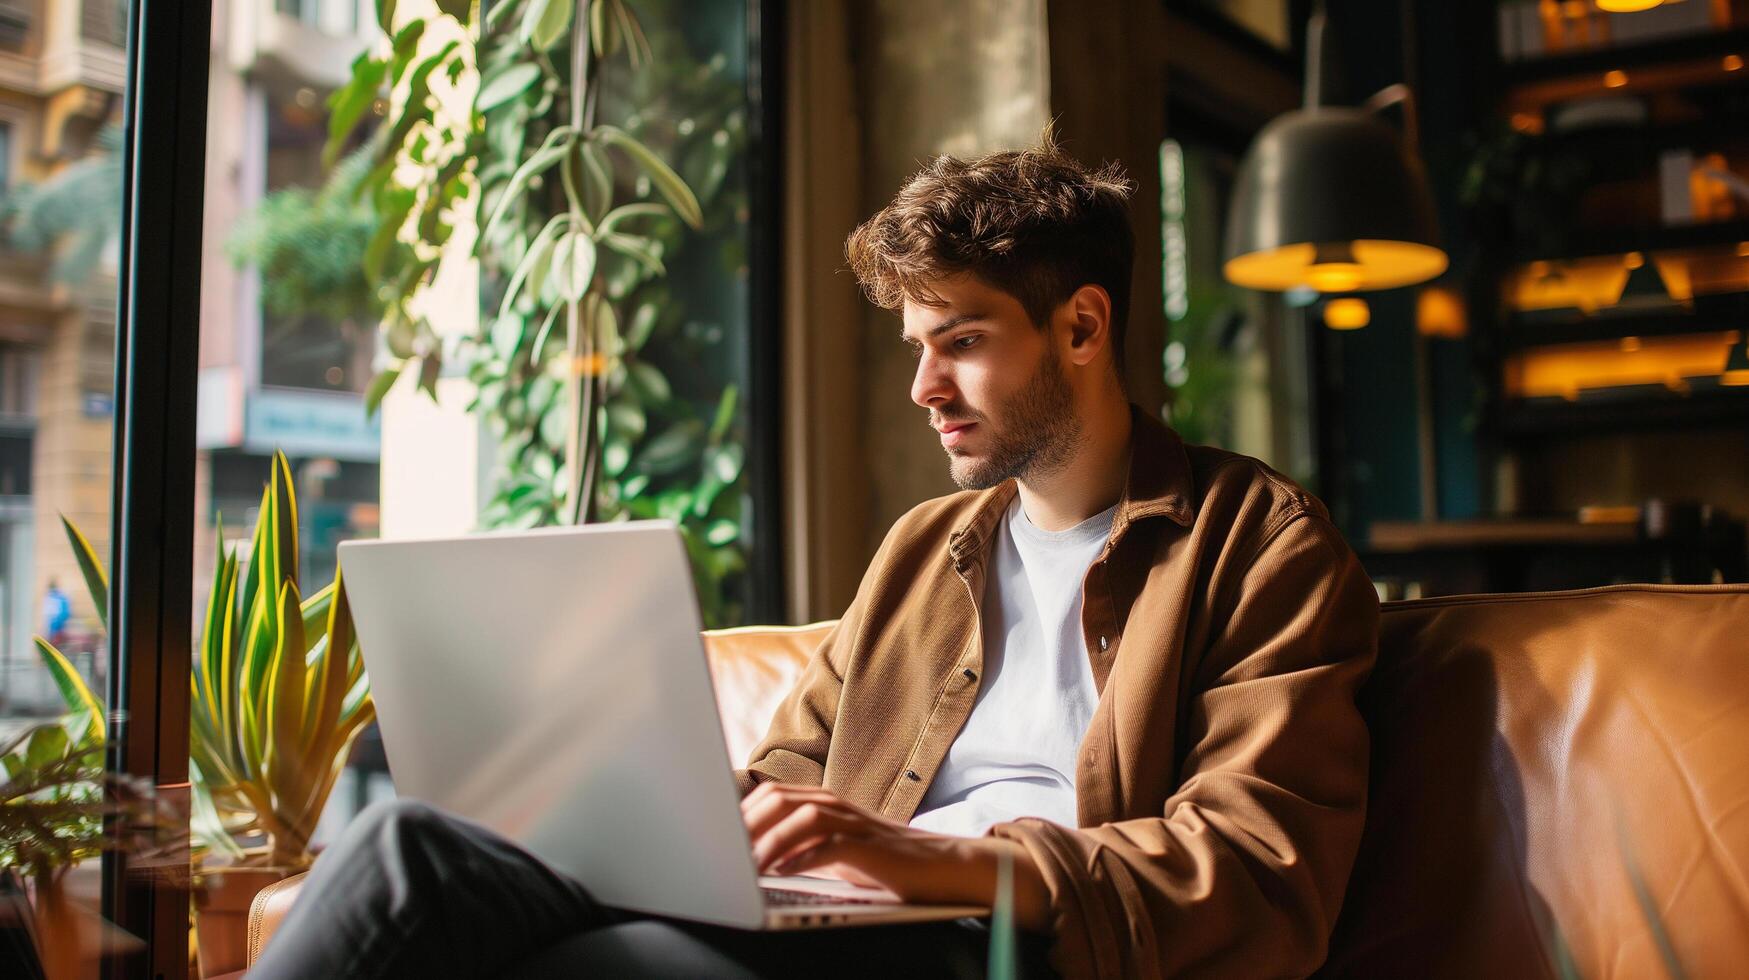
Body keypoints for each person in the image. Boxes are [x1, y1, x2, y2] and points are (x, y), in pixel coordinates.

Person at [251, 134, 1379, 980]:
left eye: (962, 342)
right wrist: (628, 809)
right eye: (916, 346)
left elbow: (1252, 867)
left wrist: (935, 862)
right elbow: (791, 772)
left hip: (998, 945)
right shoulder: (923, 552)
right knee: (412, 849)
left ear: (1082, 328)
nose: (923, 387)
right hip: (835, 919)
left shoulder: (1260, 544)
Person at [42, 578, 71, 649]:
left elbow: (64, 614)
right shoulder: (58, 597)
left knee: (56, 645)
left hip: (57, 626)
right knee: (55, 645)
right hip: (55, 627)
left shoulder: (56, 597)